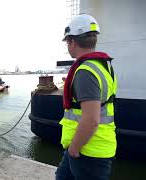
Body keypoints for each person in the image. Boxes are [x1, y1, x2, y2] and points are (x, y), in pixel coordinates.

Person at [55, 14, 117, 180]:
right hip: (84, 146)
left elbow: (91, 120)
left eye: (67, 42)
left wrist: (74, 149)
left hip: (87, 150)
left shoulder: (85, 72)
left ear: (72, 42)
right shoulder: (102, 66)